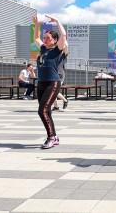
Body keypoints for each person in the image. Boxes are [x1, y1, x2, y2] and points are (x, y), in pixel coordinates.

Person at [32, 15, 68, 149]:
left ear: (55, 41)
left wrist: (58, 21)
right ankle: (54, 136)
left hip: (52, 82)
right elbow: (36, 38)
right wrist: (36, 25)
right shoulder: (42, 49)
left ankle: (51, 137)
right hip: (41, 83)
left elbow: (63, 35)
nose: (45, 40)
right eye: (45, 38)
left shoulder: (57, 50)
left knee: (42, 110)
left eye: (48, 38)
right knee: (47, 111)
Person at [52, 45, 70, 111]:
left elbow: (66, 48)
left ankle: (65, 101)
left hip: (60, 74)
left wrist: (63, 37)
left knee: (54, 90)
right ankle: (56, 106)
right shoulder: (53, 55)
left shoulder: (63, 55)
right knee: (53, 90)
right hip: (53, 74)